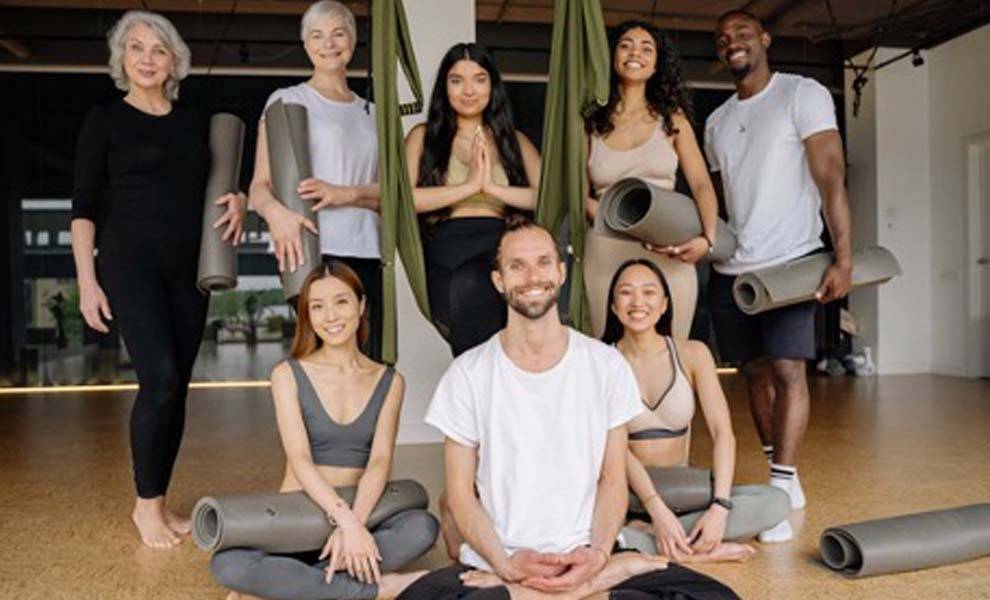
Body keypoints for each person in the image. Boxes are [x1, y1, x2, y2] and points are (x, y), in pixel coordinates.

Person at [400, 216, 737, 599]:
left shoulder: (604, 365)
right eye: (517, 265)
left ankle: (574, 584)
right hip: (500, 558)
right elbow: (459, 494)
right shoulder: (467, 374)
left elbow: (612, 478)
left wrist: (597, 556)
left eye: (543, 262)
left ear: (561, 273)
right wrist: (506, 565)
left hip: (587, 552)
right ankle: (591, 585)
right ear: (498, 281)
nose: (532, 276)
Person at [70, 10, 246, 549]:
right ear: (122, 59)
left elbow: (216, 183)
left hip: (187, 271)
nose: (147, 58)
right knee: (161, 378)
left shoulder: (193, 121)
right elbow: (83, 210)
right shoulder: (105, 120)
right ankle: (145, 508)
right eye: (136, 48)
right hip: (129, 265)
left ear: (175, 61)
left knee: (177, 390)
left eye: (159, 49)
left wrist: (238, 200)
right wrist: (86, 282)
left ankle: (161, 501)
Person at [703, 10, 853, 540]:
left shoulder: (802, 94)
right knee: (755, 373)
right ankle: (780, 476)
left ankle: (782, 483)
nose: (733, 42)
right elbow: (720, 202)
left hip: (791, 262)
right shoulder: (716, 122)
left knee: (790, 370)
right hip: (733, 269)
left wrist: (844, 257)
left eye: (743, 33)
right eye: (723, 39)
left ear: (765, 39)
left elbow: (830, 173)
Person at [211, 262, 439, 600]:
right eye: (317, 306)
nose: (330, 316)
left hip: (361, 509)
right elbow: (300, 459)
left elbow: (379, 461)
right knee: (228, 565)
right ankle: (375, 588)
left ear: (361, 306)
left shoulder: (389, 381)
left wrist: (355, 525)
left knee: (422, 528)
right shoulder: (287, 374)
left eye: (341, 302)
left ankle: (295, 587)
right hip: (299, 513)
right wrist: (344, 521)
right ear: (308, 315)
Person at [602, 259, 790, 558]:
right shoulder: (602, 362)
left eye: (649, 292)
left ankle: (643, 540)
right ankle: (692, 548)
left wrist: (720, 507)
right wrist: (656, 509)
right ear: (613, 306)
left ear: (664, 304)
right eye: (626, 293)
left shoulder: (694, 354)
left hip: (684, 490)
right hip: (627, 495)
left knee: (777, 501)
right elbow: (618, 448)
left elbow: (723, 433)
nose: (638, 302)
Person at [249, 0, 385, 359]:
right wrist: (276, 215)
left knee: (365, 358)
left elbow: (394, 196)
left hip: (367, 250)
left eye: (338, 33)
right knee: (319, 358)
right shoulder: (287, 100)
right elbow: (259, 186)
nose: (329, 43)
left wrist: (346, 193)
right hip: (311, 249)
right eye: (317, 36)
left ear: (352, 42)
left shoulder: (372, 113)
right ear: (306, 45)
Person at [584, 21, 719, 339]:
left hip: (668, 246)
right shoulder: (590, 122)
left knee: (672, 348)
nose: (636, 53)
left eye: (647, 48)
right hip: (607, 245)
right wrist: (616, 221)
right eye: (626, 45)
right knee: (609, 352)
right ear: (612, 56)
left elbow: (701, 184)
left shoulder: (674, 121)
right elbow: (576, 194)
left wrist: (707, 239)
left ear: (657, 63)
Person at [405, 43, 541, 357]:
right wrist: (469, 186)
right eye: (457, 80)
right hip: (444, 245)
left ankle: (476, 396)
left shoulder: (514, 141)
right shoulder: (422, 137)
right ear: (444, 87)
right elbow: (407, 200)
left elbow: (544, 196)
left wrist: (491, 187)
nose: (469, 90)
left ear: (492, 86)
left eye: (479, 79)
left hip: (500, 247)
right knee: (465, 303)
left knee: (479, 294)